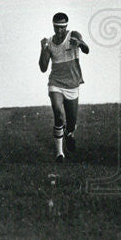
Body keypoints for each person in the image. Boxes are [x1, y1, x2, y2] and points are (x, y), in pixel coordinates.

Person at [39, 12, 90, 162]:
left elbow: (87, 50)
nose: (59, 31)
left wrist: (80, 44)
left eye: (62, 27)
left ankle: (70, 134)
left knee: (71, 123)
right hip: (56, 82)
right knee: (59, 115)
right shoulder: (49, 42)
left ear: (66, 26)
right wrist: (43, 49)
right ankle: (59, 154)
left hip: (73, 84)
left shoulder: (73, 35)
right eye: (56, 27)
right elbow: (43, 68)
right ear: (53, 26)